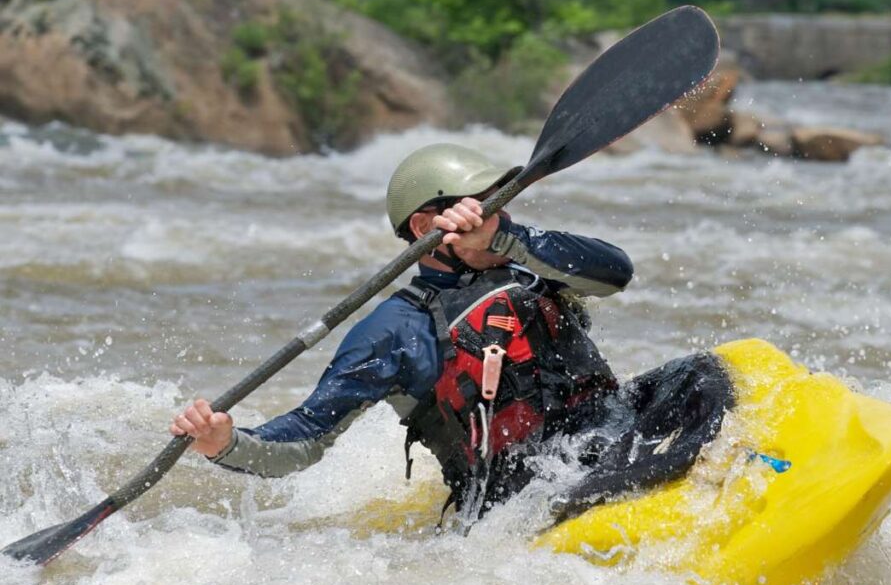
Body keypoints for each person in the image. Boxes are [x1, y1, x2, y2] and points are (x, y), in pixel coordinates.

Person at [171, 143, 733, 525]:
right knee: (595, 464)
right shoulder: (396, 331)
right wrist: (226, 442)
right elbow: (308, 437)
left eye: (500, 203)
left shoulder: (530, 262)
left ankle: (704, 469)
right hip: (524, 494)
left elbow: (617, 273)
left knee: (705, 372)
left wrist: (508, 238)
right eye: (483, 204)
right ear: (425, 226)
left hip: (603, 432)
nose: (499, 216)